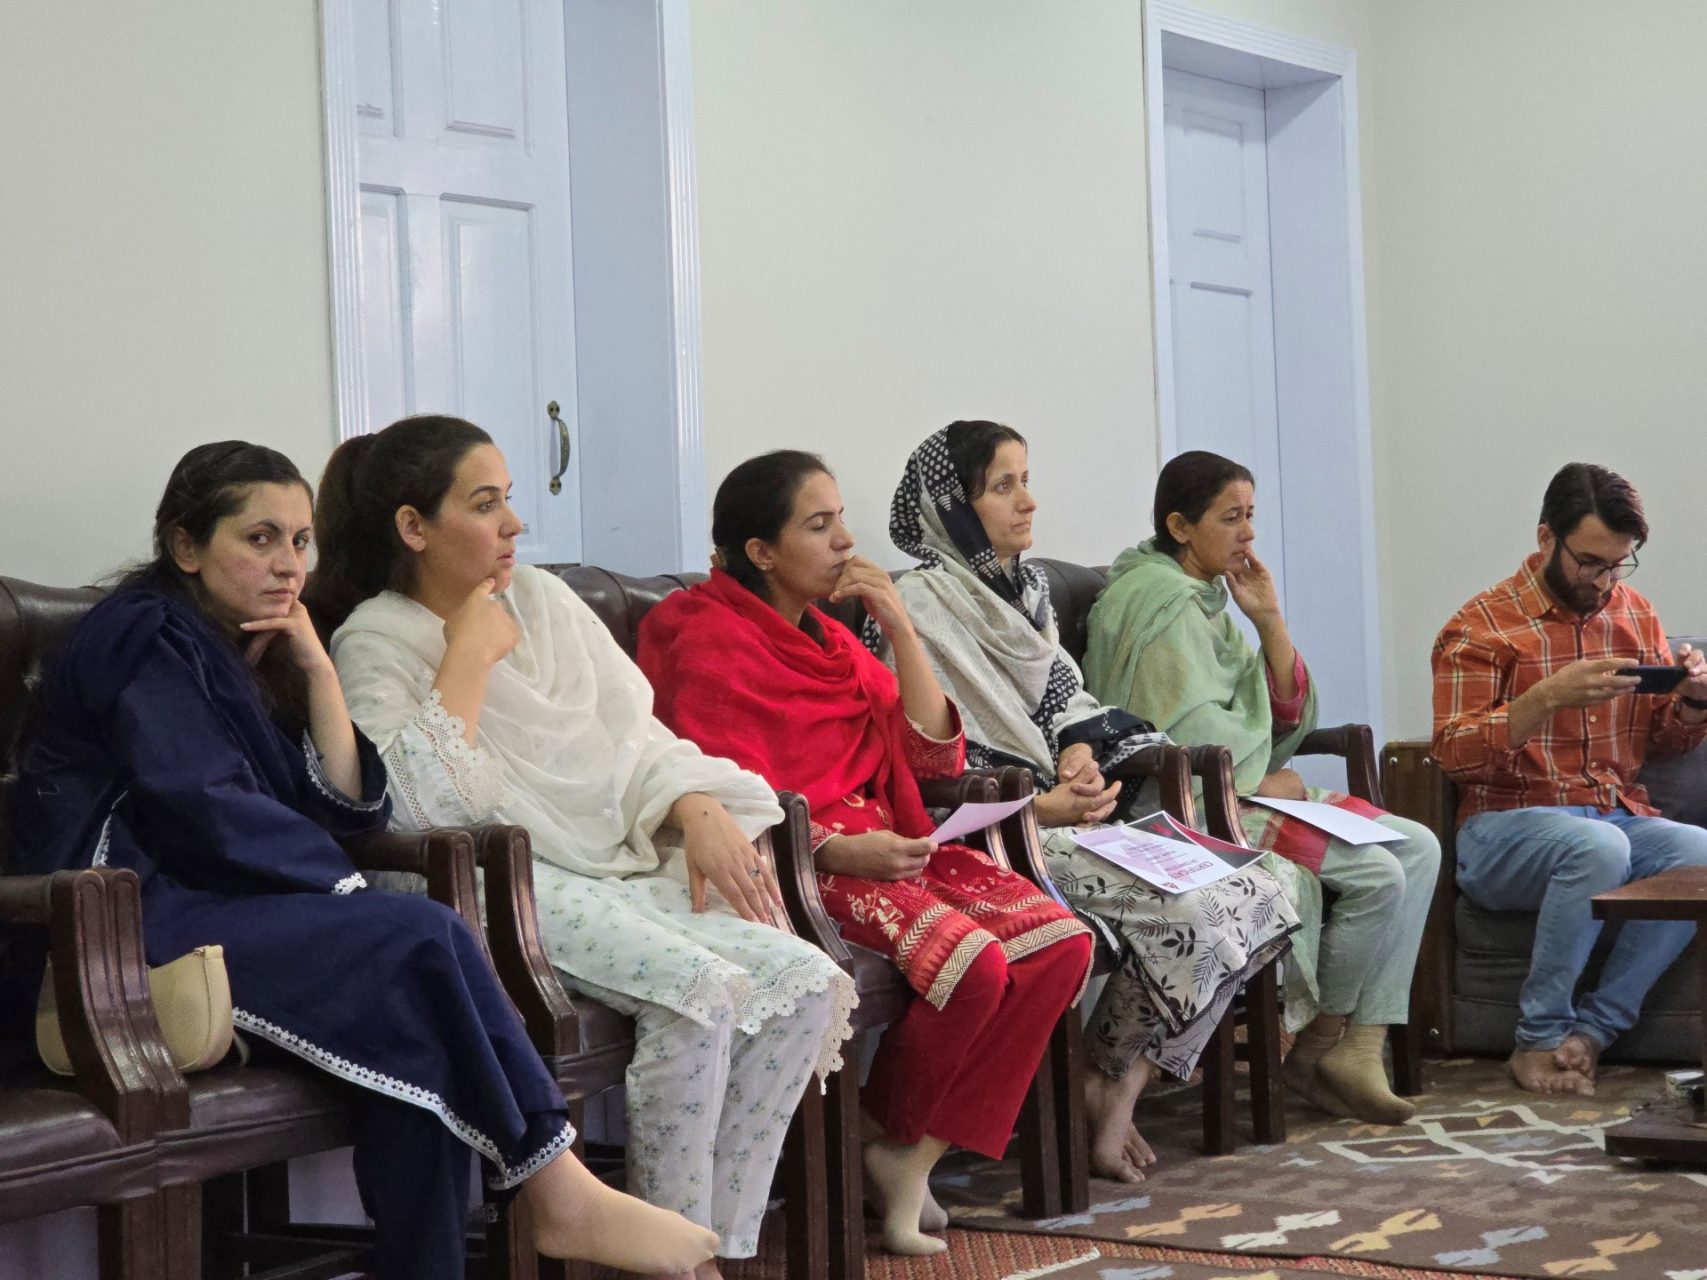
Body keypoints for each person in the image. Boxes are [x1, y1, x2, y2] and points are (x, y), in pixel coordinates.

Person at [3, 442, 719, 1280]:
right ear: (186, 546)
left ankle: (489, 1235)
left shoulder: (238, 644)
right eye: (260, 539)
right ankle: (558, 1188)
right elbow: (207, 807)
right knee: (417, 936)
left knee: (418, 1045)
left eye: (300, 541)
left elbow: (346, 808)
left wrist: (317, 670)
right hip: (124, 933)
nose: (288, 564)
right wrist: (344, 893)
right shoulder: (141, 633)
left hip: (219, 918)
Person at [313, 417, 854, 1279]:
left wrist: (693, 803)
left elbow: (633, 736)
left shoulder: (544, 601)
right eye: (483, 505)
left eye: (508, 499)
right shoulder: (373, 638)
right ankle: (668, 1262)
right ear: (413, 527)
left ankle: (711, 1248)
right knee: (699, 993)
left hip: (606, 860)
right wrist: (467, 657)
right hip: (496, 881)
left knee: (804, 985)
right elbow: (414, 810)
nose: (513, 524)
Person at [636, 450, 1094, 1256]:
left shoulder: (831, 640)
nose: (846, 542)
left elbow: (933, 758)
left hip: (887, 841)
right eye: (819, 526)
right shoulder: (699, 636)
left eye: (840, 519)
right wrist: (838, 852)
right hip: (795, 859)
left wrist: (900, 628)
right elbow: (716, 793)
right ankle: (885, 1146)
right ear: (760, 552)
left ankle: (902, 1147)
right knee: (974, 966)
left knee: (1060, 942)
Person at [875, 421, 1299, 1182]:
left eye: (1025, 479)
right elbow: (921, 756)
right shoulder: (919, 604)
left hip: (1059, 817)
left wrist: (1078, 752)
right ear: (954, 507)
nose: (1028, 501)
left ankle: (1113, 1083)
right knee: (1197, 909)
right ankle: (1102, 1084)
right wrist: (1041, 805)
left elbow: (1065, 704)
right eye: (1003, 486)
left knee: (1264, 889)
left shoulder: (1024, 591)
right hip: (994, 835)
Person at [1084, 450, 1440, 1126]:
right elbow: (1180, 732)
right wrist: (1260, 775)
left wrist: (1269, 619)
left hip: (1245, 785)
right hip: (1189, 807)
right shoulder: (1155, 601)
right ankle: (1320, 1047)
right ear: (1179, 526)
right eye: (1230, 518)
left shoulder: (1208, 598)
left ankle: (1357, 1045)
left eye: (1250, 515)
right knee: (1377, 875)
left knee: (1419, 846)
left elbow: (1272, 713)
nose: (1248, 533)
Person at [1433, 462, 1707, 1096]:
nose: (1604, 580)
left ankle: (1592, 1033)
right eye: (1589, 562)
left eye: (1617, 564)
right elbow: (1452, 755)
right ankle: (1537, 1038)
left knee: (1698, 854)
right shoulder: (1479, 626)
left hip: (1613, 814)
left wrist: (1693, 702)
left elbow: (1665, 739)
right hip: (1503, 828)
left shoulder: (1635, 615)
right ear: (1545, 538)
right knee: (1596, 846)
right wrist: (1544, 698)